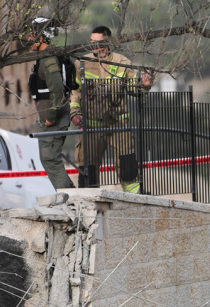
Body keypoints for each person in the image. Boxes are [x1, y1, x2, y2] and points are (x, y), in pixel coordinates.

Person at [69, 26, 152, 193]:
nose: (93, 46)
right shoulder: (82, 63)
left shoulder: (122, 62)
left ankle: (135, 199)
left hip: (118, 124)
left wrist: (143, 85)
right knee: (88, 168)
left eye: (97, 42)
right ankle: (89, 201)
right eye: (91, 42)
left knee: (127, 165)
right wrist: (74, 112)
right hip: (91, 125)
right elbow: (75, 91)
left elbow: (133, 88)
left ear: (107, 43)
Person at [26, 17, 77, 190]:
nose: (28, 39)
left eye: (32, 35)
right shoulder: (45, 57)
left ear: (41, 37)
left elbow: (57, 89)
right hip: (49, 117)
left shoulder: (48, 59)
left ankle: (68, 198)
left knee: (49, 158)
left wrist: (51, 115)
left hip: (52, 119)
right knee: (49, 158)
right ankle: (69, 194)